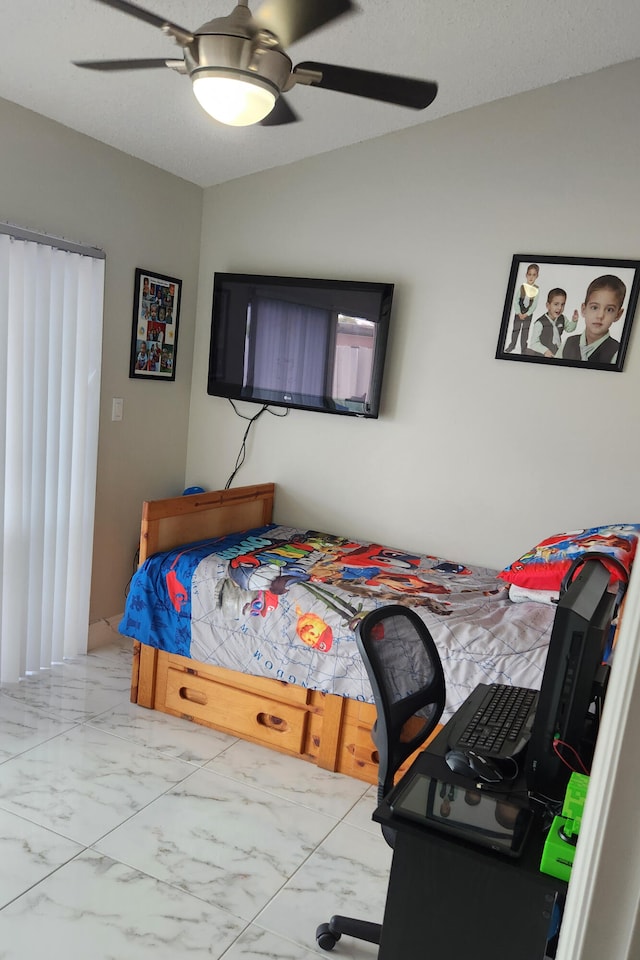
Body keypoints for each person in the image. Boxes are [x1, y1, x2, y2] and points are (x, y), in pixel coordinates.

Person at [558, 274, 626, 363]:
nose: (600, 315)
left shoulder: (617, 353)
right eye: (594, 307)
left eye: (609, 310)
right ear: (583, 309)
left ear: (618, 315)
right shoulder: (568, 343)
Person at [527, 287, 578, 357]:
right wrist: (545, 351)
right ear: (548, 305)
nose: (560, 308)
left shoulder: (562, 318)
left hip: (557, 353)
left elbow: (569, 329)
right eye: (556, 304)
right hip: (542, 355)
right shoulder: (540, 323)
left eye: (562, 304)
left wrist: (574, 321)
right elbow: (533, 343)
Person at [505, 264, 540, 353]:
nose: (531, 277)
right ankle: (512, 345)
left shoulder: (536, 289)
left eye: (534, 275)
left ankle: (523, 348)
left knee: (525, 331)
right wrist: (518, 312)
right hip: (519, 313)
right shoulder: (522, 287)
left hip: (528, 314)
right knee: (515, 329)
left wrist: (527, 314)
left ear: (537, 276)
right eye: (529, 274)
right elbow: (516, 300)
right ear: (526, 275)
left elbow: (534, 304)